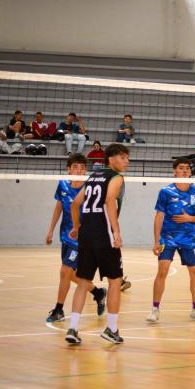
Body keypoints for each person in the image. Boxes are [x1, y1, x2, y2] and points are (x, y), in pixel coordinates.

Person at [64, 143, 130, 345]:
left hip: (86, 234)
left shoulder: (93, 177)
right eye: (122, 157)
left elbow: (75, 203)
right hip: (104, 234)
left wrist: (76, 227)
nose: (126, 161)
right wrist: (116, 232)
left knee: (83, 282)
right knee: (115, 281)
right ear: (110, 159)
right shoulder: (116, 177)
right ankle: (111, 329)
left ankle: (73, 328)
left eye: (127, 157)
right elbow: (109, 201)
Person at [44, 153, 106, 324]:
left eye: (82, 167)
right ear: (69, 169)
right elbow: (58, 207)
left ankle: (58, 310)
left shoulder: (89, 187)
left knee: (65, 271)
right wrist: (50, 230)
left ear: (85, 170)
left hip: (81, 237)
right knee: (70, 274)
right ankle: (98, 292)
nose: (79, 170)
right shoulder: (63, 184)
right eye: (75, 167)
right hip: (65, 235)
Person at [148, 158, 195, 324]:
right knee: (162, 270)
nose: (184, 171)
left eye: (187, 168)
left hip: (188, 239)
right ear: (174, 171)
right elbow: (159, 216)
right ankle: (155, 310)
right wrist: (156, 241)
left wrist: (189, 218)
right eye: (181, 168)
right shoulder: (165, 191)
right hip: (167, 238)